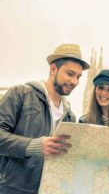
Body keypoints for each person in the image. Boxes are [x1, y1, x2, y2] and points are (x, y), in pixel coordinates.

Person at [0, 44, 90, 194]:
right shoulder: (21, 94)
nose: (75, 81)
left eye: (78, 76)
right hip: (12, 189)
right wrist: (35, 146)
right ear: (53, 69)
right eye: (70, 74)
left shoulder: (69, 116)